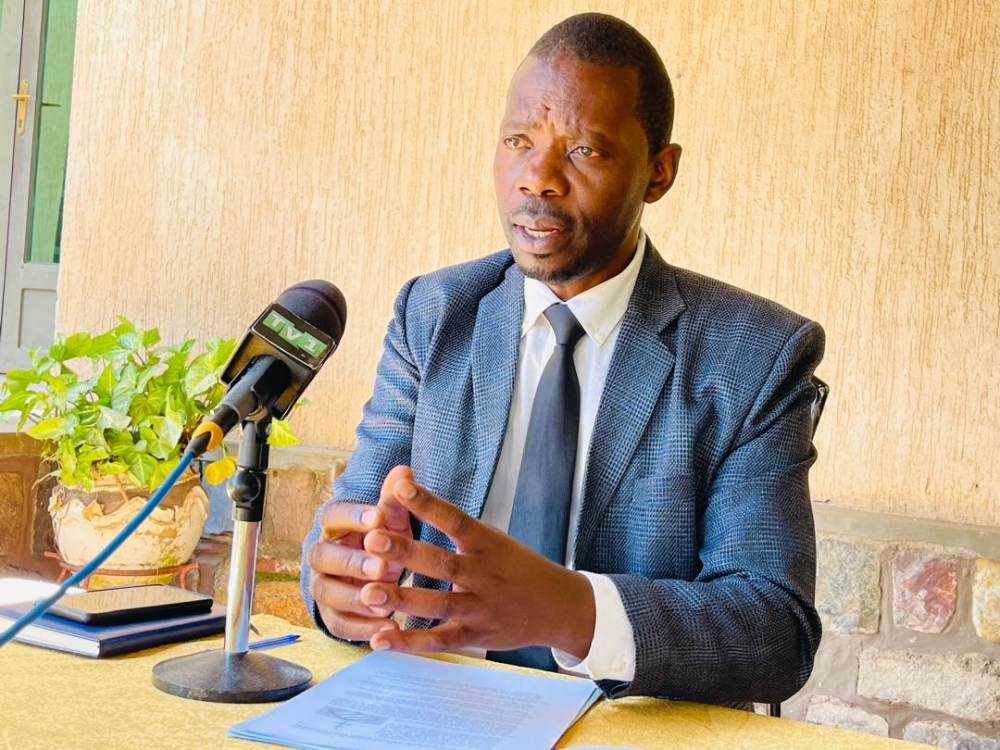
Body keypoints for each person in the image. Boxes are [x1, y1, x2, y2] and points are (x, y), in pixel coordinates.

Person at [301, 12, 824, 706]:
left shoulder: (754, 356)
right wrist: (338, 585)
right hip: (430, 707)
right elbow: (353, 517)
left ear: (659, 173)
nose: (537, 178)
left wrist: (566, 609)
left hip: (628, 727)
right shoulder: (433, 314)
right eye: (519, 141)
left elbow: (774, 631)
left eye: (583, 151)